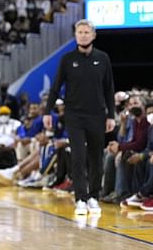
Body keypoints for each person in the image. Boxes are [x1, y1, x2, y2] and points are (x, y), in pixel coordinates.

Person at [43, 19, 115, 217]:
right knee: (77, 157)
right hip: (74, 115)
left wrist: (111, 115)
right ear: (75, 35)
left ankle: (93, 197)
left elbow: (109, 88)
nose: (83, 35)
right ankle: (80, 199)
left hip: (97, 115)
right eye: (79, 32)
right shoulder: (67, 59)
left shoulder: (103, 58)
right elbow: (56, 86)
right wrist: (48, 111)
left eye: (86, 32)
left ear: (93, 35)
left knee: (96, 157)